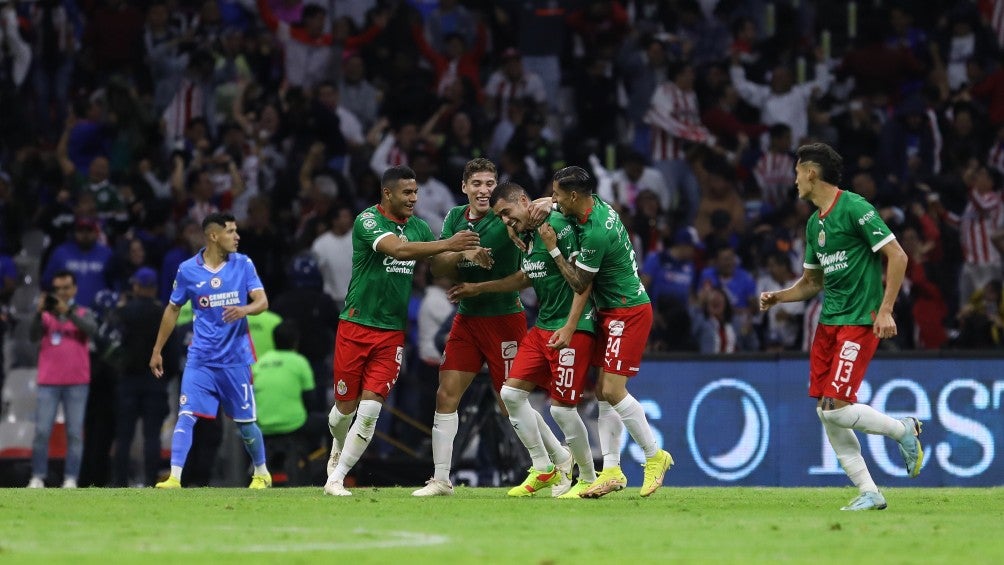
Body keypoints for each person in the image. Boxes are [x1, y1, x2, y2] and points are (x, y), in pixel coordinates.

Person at [759, 143, 924, 511]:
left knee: (836, 407)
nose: (795, 179)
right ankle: (870, 491)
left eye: (797, 171)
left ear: (812, 173)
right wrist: (780, 297)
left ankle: (904, 430)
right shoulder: (815, 222)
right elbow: (812, 282)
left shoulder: (855, 208)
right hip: (828, 325)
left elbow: (897, 255)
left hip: (858, 321)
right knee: (825, 410)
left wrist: (885, 310)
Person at [411, 159, 571, 497]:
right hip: (467, 318)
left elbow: (537, 222)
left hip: (504, 319)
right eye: (477, 184)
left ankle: (558, 459)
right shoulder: (456, 218)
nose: (484, 190)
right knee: (446, 394)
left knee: (509, 402)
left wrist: (551, 201)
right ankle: (441, 479)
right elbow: (438, 266)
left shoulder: (508, 217)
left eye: (489, 183)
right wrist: (465, 252)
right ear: (464, 188)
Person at [323, 165, 482, 496]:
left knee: (369, 411)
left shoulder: (420, 226)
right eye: (407, 193)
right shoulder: (368, 221)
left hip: (391, 333)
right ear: (387, 193)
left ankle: (336, 477)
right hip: (355, 325)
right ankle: (338, 447)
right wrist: (448, 243)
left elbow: (436, 265)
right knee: (344, 410)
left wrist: (462, 256)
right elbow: (398, 250)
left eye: (416, 192)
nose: (413, 198)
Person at [448, 181, 598, 498]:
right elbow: (525, 277)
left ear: (524, 201)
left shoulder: (557, 225)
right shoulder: (528, 235)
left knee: (562, 410)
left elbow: (583, 281)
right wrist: (479, 288)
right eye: (500, 217)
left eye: (507, 213)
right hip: (543, 325)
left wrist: (571, 327)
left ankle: (587, 476)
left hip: (570, 325)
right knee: (511, 395)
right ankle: (543, 467)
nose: (505, 221)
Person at [539, 165, 673, 498]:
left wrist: (554, 250)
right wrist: (547, 203)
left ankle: (655, 456)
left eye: (557, 194)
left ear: (573, 196)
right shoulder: (593, 204)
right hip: (612, 311)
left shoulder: (596, 232)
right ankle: (611, 470)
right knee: (602, 391)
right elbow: (562, 205)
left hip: (628, 311)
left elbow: (580, 283)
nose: (554, 200)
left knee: (613, 390)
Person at [149, 212, 273, 489]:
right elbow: (172, 309)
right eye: (231, 231)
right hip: (200, 358)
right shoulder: (187, 270)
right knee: (186, 414)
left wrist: (244, 309)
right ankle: (174, 477)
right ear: (214, 236)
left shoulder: (243, 264)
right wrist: (157, 349)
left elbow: (262, 301)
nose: (237, 236)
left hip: (235, 359)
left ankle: (262, 472)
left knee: (245, 423)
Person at [27, 270, 98, 488]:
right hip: (48, 381)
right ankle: (38, 476)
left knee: (75, 433)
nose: (61, 292)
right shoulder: (46, 317)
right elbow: (32, 336)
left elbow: (92, 330)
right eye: (57, 289)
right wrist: (38, 314)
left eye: (66, 287)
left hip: (77, 381)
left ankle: (71, 478)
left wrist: (69, 312)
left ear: (74, 289)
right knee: (41, 431)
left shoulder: (84, 312)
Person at [109, 267, 172, 487]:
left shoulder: (124, 312)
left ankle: (120, 482)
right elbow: (171, 351)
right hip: (155, 381)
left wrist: (120, 369)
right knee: (152, 436)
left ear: (136, 286)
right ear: (154, 288)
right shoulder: (163, 313)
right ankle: (149, 480)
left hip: (128, 380)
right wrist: (165, 375)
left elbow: (113, 346)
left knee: (124, 435)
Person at [253, 321, 322, 486]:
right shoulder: (299, 362)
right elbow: (311, 400)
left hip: (262, 425)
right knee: (329, 422)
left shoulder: (261, 362)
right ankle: (325, 468)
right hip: (293, 424)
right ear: (295, 341)